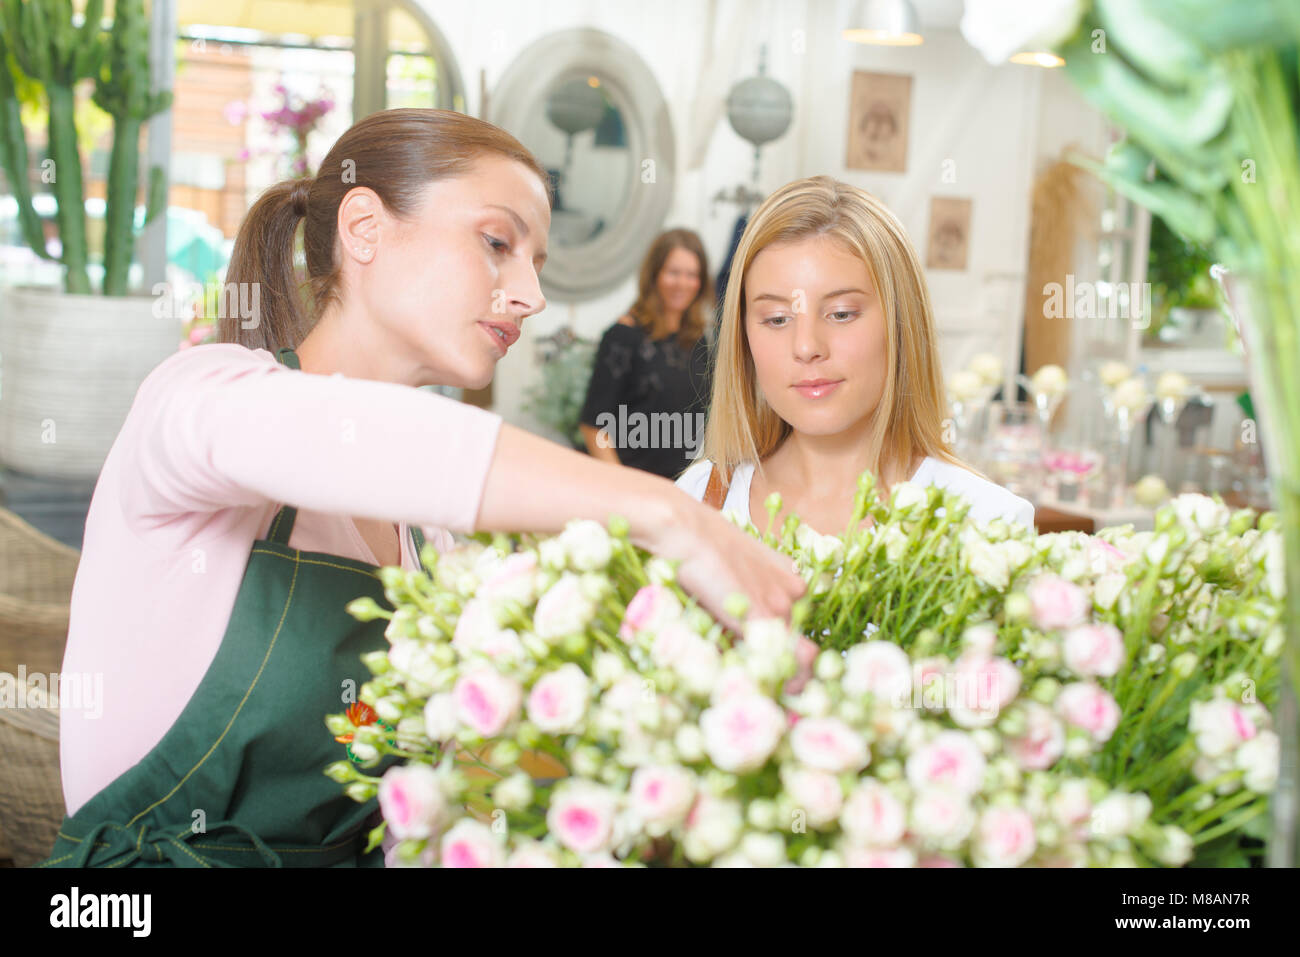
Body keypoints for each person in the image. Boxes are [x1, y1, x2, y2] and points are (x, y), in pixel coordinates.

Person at [40, 109, 802, 869]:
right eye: (498, 242)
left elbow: (424, 812)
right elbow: (345, 433)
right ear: (364, 227)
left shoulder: (433, 542)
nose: (531, 295)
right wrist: (669, 514)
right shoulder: (200, 399)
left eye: (536, 260)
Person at [676, 175, 1034, 533]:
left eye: (841, 313)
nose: (806, 348)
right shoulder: (695, 502)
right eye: (777, 319)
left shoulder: (987, 521)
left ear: (899, 324)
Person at [578, 229, 714, 478]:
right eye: (673, 272)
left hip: (682, 485)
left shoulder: (697, 338)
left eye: (692, 275)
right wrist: (624, 488)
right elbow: (592, 426)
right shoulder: (623, 336)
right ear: (654, 275)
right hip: (632, 484)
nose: (682, 283)